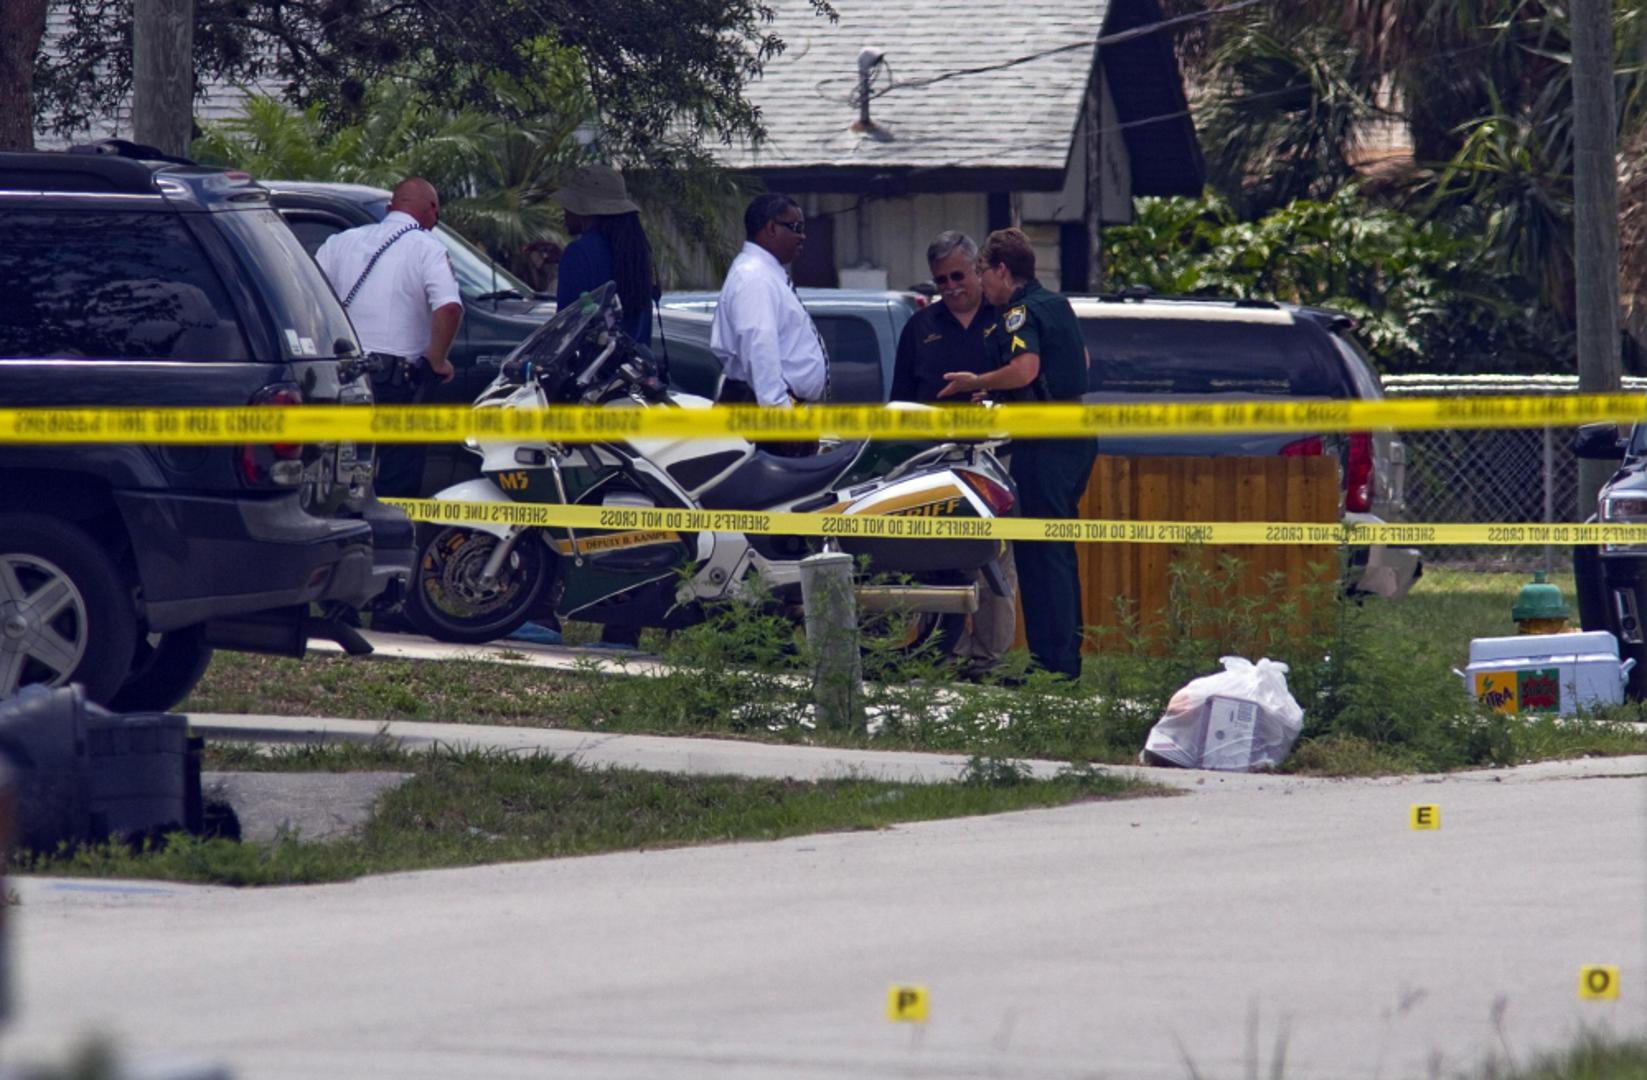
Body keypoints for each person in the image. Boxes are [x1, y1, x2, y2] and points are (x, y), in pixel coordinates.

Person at [938, 228, 1095, 679]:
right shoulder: (1057, 304)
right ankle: (1061, 661)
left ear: (1002, 270)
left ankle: (1052, 667)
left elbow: (1026, 368)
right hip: (1074, 433)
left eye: (982, 271)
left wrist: (978, 381)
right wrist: (1001, 390)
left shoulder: (1019, 312)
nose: (981, 282)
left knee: (1041, 554)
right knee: (1055, 551)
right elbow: (1080, 360)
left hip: (1045, 439)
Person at [891, 231, 1018, 675]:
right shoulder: (920, 327)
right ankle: (944, 650)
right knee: (936, 555)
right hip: (934, 460)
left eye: (958, 276)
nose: (950, 287)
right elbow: (900, 401)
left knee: (993, 554)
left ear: (978, 270)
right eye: (941, 280)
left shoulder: (1006, 318)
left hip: (994, 454)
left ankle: (989, 657)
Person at [315, 176, 461, 498]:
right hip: (395, 384)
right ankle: (390, 530)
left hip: (340, 377)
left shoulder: (340, 242)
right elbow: (449, 308)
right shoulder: (427, 247)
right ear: (432, 210)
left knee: (339, 476)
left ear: (389, 208)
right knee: (395, 480)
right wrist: (436, 360)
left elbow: (308, 295)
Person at [710, 194, 828, 455]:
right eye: (796, 227)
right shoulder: (754, 277)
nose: (803, 237)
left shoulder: (764, 273)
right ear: (772, 228)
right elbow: (759, 347)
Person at [551, 163, 654, 346]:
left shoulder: (578, 254)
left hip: (593, 362)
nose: (564, 211)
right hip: (633, 362)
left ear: (584, 211)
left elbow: (566, 329)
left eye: (568, 205)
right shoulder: (635, 252)